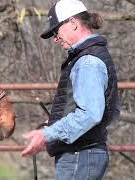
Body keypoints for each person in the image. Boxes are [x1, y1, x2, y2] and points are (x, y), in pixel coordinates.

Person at [21, 0, 120, 179]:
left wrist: (48, 133)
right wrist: (57, 121)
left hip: (79, 155)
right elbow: (111, 112)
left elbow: (90, 114)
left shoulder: (87, 62)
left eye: (56, 31)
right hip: (84, 155)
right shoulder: (93, 56)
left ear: (73, 24)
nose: (55, 39)